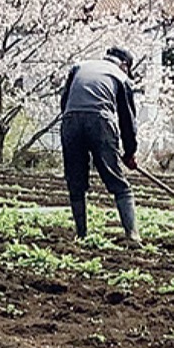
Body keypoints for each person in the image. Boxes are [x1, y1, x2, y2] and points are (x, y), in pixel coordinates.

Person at [58, 46, 141, 245]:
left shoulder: (79, 67)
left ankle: (81, 234)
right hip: (100, 122)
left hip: (70, 121)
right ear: (123, 65)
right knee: (116, 181)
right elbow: (127, 120)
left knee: (76, 181)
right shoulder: (120, 77)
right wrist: (129, 153)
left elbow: (64, 101)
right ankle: (132, 234)